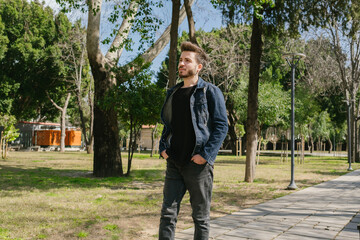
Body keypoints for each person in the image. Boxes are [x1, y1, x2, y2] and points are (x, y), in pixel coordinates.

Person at [158, 41, 228, 240]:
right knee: (167, 215)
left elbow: (222, 126)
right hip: (174, 162)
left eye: (187, 60)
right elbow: (168, 125)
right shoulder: (173, 93)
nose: (182, 64)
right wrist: (163, 148)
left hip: (198, 165)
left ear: (198, 67)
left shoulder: (210, 92)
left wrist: (206, 155)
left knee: (200, 218)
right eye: (180, 60)